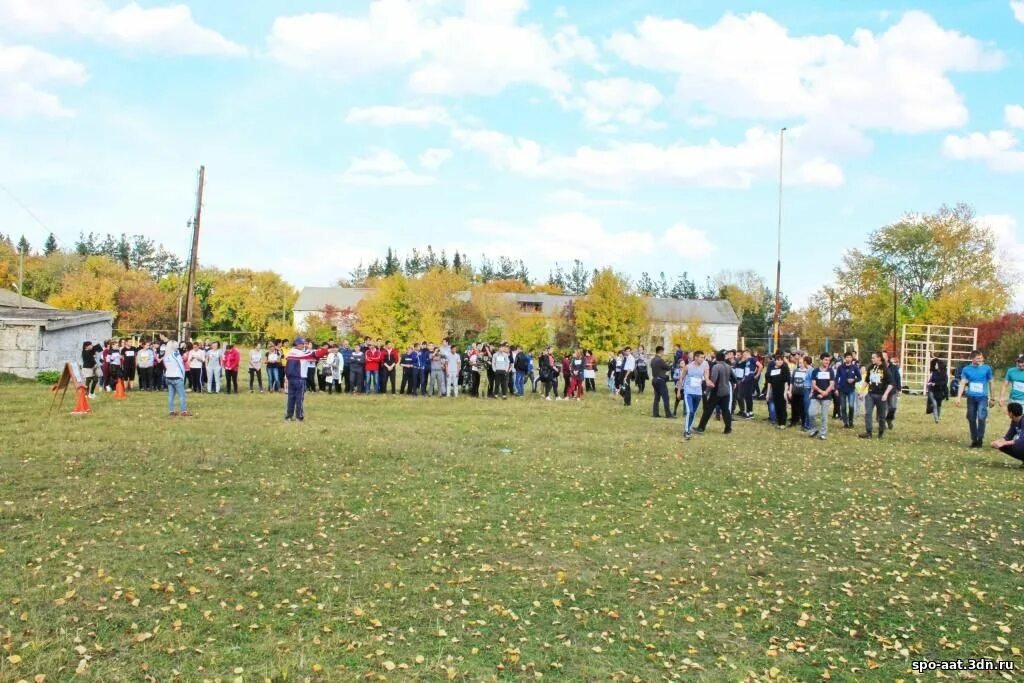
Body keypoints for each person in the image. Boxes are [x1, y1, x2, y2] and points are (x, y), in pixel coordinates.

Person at [956, 350, 995, 448]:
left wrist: (993, 398)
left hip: (982, 397)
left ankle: (980, 439)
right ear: (972, 359)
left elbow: (991, 382)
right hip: (971, 397)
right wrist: (958, 397)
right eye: (978, 358)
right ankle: (974, 439)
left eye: (981, 358)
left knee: (981, 417)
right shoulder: (966, 369)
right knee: (971, 418)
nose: (981, 360)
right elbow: (963, 383)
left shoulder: (987, 368)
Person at [284, 337, 326, 421]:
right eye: (302, 344)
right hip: (300, 378)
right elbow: (316, 355)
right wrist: (325, 349)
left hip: (290, 378)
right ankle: (299, 417)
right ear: (298, 344)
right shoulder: (302, 354)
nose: (304, 345)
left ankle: (289, 416)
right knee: (299, 398)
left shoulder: (290, 352)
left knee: (290, 398)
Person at [694, 351, 732, 435]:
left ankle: (701, 428)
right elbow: (734, 378)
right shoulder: (728, 366)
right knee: (726, 410)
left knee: (708, 410)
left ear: (717, 358)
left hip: (717, 392)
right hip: (726, 391)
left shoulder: (716, 366)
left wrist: (706, 391)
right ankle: (728, 428)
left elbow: (713, 380)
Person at [860, 352, 893, 439]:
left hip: (881, 395)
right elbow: (867, 381)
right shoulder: (871, 367)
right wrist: (861, 392)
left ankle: (881, 433)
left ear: (879, 358)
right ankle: (868, 432)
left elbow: (891, 384)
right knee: (868, 413)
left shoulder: (885, 369)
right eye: (872, 358)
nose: (872, 359)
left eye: (874, 358)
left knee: (881, 416)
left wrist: (885, 394)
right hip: (870, 394)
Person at [679, 350, 709, 439]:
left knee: (694, 412)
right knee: (689, 411)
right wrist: (679, 391)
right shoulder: (688, 367)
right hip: (688, 392)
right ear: (696, 357)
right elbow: (681, 378)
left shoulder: (704, 366)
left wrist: (708, 381)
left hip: (698, 393)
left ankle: (689, 427)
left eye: (703, 357)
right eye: (701, 357)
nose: (703, 359)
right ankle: (686, 431)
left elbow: (706, 377)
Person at [158, 334, 189, 417]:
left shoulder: (166, 357)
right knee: (182, 395)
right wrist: (182, 376)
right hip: (177, 377)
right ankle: (184, 411)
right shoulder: (176, 355)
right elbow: (181, 365)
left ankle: (171, 411)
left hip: (168, 377)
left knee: (171, 396)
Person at [808, 354, 835, 440]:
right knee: (811, 413)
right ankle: (814, 429)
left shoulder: (830, 371)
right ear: (821, 360)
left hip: (827, 397)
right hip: (816, 396)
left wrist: (825, 393)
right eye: (825, 360)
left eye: (828, 360)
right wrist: (820, 392)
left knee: (824, 416)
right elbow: (813, 384)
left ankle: (822, 433)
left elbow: (832, 384)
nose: (827, 362)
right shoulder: (815, 371)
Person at [835, 352, 861, 429]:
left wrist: (854, 380)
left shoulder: (854, 367)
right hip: (842, 389)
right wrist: (836, 388)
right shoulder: (840, 367)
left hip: (851, 389)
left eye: (850, 357)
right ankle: (845, 422)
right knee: (843, 407)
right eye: (847, 357)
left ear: (851, 358)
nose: (848, 359)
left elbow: (860, 378)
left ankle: (851, 421)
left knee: (851, 406)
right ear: (844, 358)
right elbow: (836, 378)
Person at [765, 355, 791, 429]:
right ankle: (779, 423)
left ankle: (783, 423)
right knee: (777, 406)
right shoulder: (772, 369)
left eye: (781, 360)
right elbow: (769, 382)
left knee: (782, 406)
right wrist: (767, 393)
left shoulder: (784, 368)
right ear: (775, 361)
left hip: (782, 390)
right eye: (778, 360)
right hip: (774, 390)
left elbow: (786, 381)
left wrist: (785, 392)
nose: (779, 361)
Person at [650, 345, 671, 418]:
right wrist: (669, 364)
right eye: (663, 352)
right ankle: (668, 414)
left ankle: (655, 413)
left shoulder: (653, 360)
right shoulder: (660, 360)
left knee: (656, 398)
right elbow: (668, 368)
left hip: (654, 379)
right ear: (661, 351)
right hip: (660, 380)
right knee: (666, 398)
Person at [790, 355, 810, 429]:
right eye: (799, 363)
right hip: (795, 391)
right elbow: (791, 381)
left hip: (803, 392)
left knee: (802, 408)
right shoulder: (795, 370)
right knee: (794, 407)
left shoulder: (807, 371)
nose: (801, 364)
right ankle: (793, 421)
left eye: (802, 363)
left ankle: (803, 422)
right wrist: (790, 391)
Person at [885, 354, 902, 430]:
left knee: (893, 407)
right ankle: (882, 423)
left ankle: (889, 419)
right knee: (884, 408)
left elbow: (898, 378)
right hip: (883, 390)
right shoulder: (879, 367)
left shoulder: (894, 367)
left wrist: (899, 389)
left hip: (892, 390)